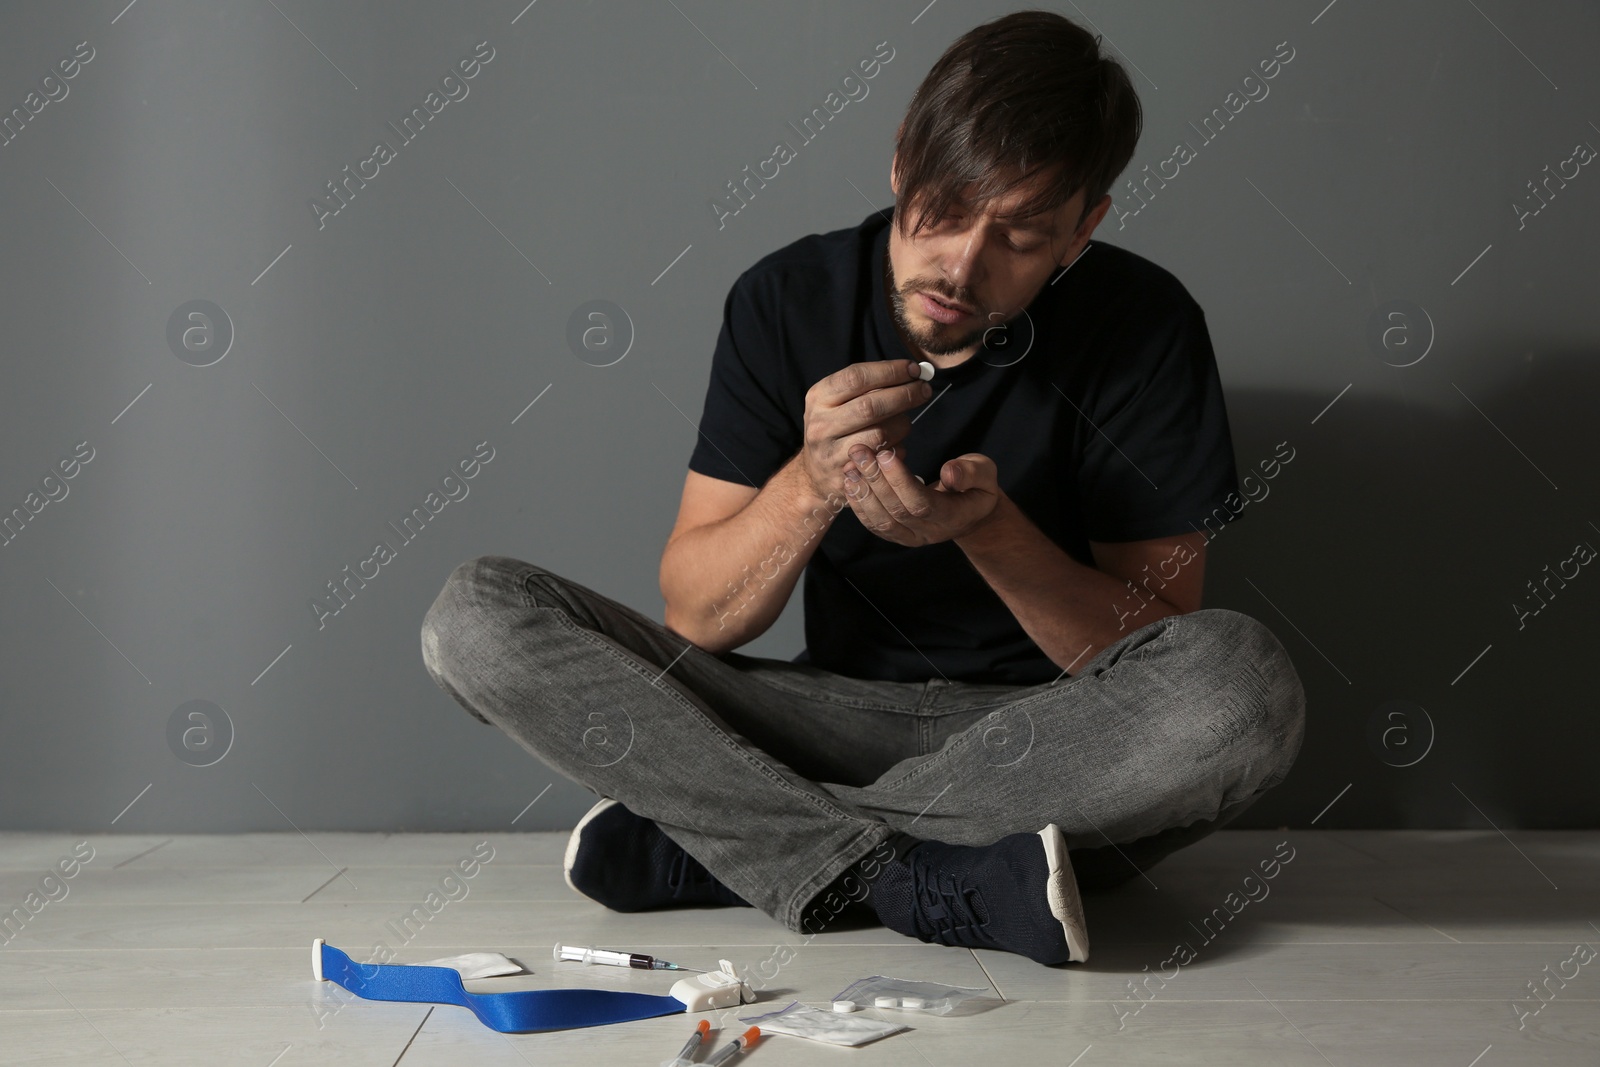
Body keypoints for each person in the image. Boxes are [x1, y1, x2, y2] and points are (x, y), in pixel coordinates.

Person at [420, 9, 1305, 967]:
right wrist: (810, 482)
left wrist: (989, 531)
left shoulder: (1147, 324)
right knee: (474, 614)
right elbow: (698, 613)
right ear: (901, 162)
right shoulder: (784, 298)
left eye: (1020, 235)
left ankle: (743, 849)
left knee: (1244, 687)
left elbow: (1158, 637)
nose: (963, 266)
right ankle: (905, 871)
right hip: (816, 718)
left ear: (1081, 230)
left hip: (1046, 746)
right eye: (948, 207)